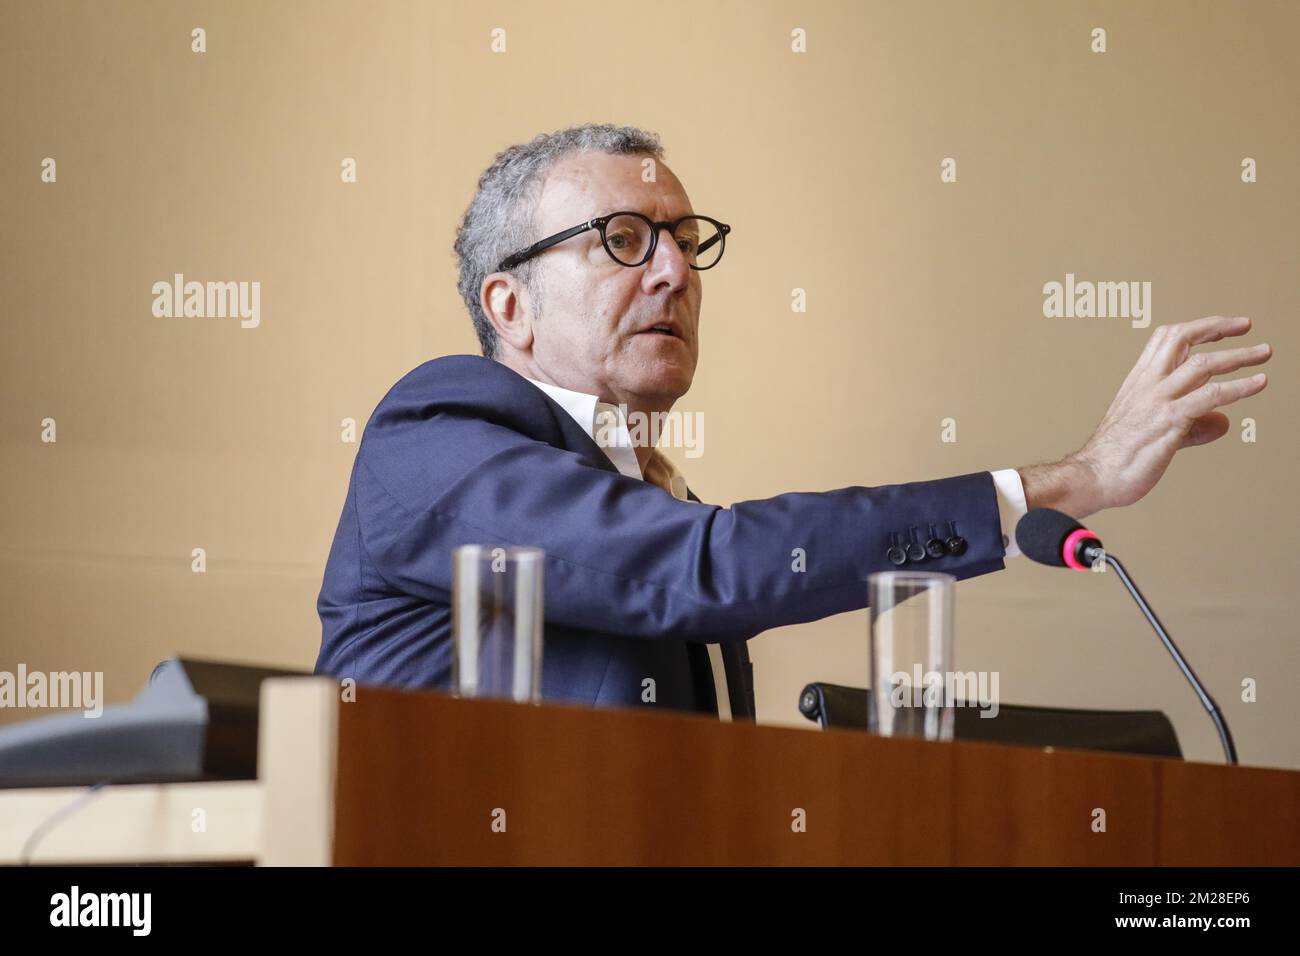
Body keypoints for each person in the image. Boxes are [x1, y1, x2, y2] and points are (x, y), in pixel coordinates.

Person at [315, 123, 1271, 722]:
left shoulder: (638, 481)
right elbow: (712, 569)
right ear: (509, 306)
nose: (675, 272)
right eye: (622, 240)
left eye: (687, 242)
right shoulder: (433, 430)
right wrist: (1073, 481)